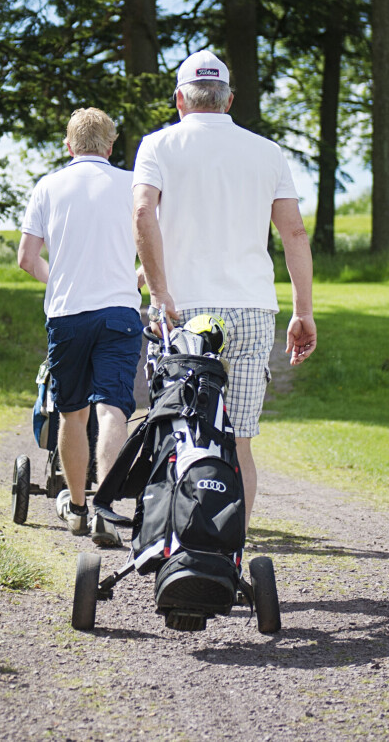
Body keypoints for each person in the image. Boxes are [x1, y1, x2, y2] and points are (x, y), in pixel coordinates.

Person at [132, 49, 317, 530]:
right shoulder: (267, 152)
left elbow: (141, 213)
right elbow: (294, 234)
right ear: (229, 99)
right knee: (240, 442)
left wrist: (158, 292)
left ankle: (178, 541)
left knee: (179, 428)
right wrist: (303, 311)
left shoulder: (157, 146)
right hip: (252, 309)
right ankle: (230, 551)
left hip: (184, 309)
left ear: (179, 99)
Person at [18, 108, 143, 548]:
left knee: (72, 411)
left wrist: (64, 280)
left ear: (68, 146)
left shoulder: (48, 187)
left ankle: (76, 507)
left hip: (68, 314)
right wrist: (137, 280)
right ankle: (107, 511)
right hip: (120, 313)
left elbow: (26, 259)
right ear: (111, 147)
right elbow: (155, 246)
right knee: (113, 408)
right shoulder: (133, 184)